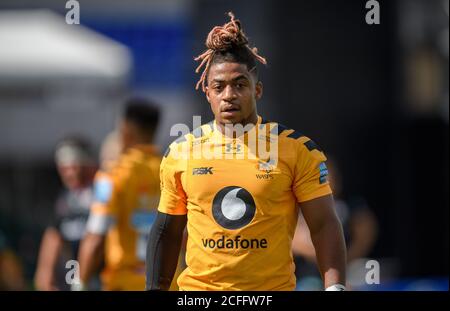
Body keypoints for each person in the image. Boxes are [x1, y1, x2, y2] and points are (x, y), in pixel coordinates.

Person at [146, 12, 347, 291]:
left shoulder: (297, 150)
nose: (229, 95)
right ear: (207, 93)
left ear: (258, 90)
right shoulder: (181, 152)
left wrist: (335, 287)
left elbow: (324, 224)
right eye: (219, 87)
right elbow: (167, 232)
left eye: (240, 85)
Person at [75, 98, 163, 291]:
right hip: (168, 282)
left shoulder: (112, 175)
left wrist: (79, 282)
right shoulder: (172, 169)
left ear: (125, 129)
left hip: (125, 282)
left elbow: (96, 235)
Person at [292, 158, 378, 290]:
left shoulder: (352, 205)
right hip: (310, 277)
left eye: (328, 174)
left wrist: (346, 260)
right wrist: (332, 260)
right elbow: (295, 241)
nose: (326, 180)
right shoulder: (298, 210)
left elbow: (366, 232)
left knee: (370, 276)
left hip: (351, 269)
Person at [34, 137, 97, 291]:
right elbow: (54, 233)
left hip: (100, 275)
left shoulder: (102, 192)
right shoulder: (65, 198)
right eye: (63, 168)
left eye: (73, 167)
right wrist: (44, 273)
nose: (68, 174)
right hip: (73, 275)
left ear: (88, 165)